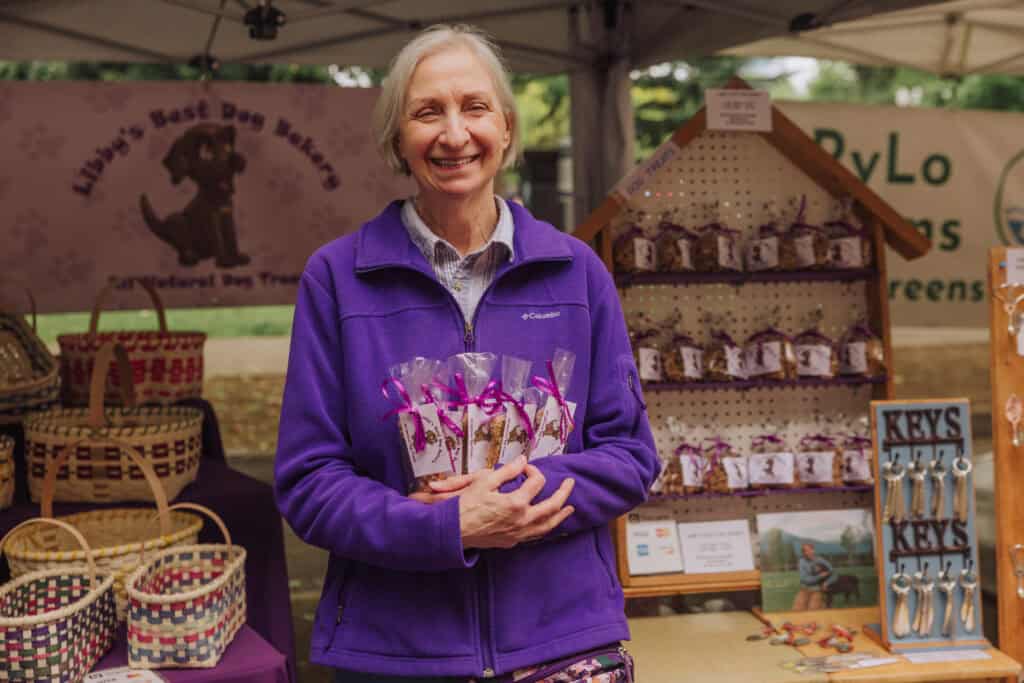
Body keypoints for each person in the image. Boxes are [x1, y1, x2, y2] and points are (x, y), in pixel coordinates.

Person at [273, 24, 658, 682]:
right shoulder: (338, 278)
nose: (455, 134)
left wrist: (525, 495)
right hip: (395, 650)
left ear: (506, 128)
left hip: (561, 639)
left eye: (475, 108)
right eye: (428, 112)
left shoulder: (577, 273)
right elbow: (308, 481)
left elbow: (629, 456)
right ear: (398, 138)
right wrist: (447, 526)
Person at [793, 543, 837, 611]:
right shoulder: (801, 562)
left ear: (813, 550)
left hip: (817, 591)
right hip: (804, 590)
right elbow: (805, 579)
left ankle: (823, 606)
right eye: (805, 551)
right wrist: (820, 576)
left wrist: (826, 583)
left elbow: (834, 574)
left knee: (812, 610)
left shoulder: (821, 560)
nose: (809, 552)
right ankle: (823, 606)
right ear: (803, 553)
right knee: (796, 610)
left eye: (810, 550)